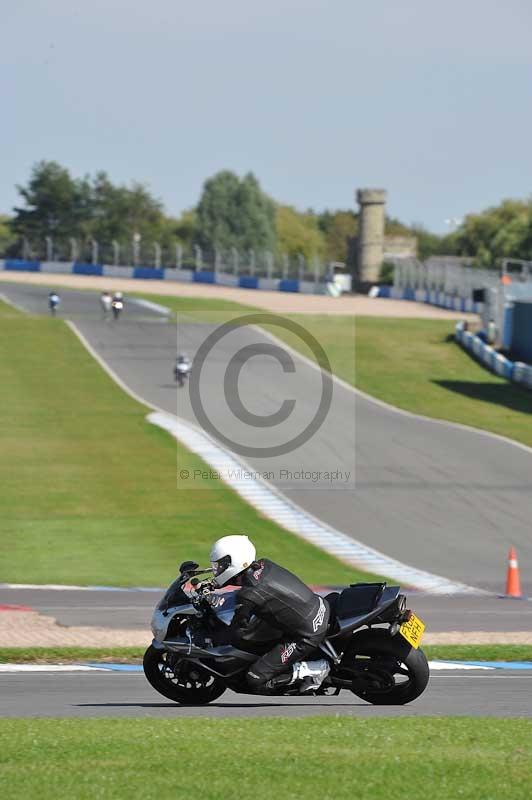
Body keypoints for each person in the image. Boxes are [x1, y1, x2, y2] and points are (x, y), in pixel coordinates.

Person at [209, 535, 330, 694]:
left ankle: (315, 669)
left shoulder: (249, 594)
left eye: (220, 565)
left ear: (234, 562)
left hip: (306, 635)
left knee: (255, 679)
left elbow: (238, 630)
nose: (217, 570)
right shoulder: (263, 565)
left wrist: (213, 639)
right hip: (318, 607)